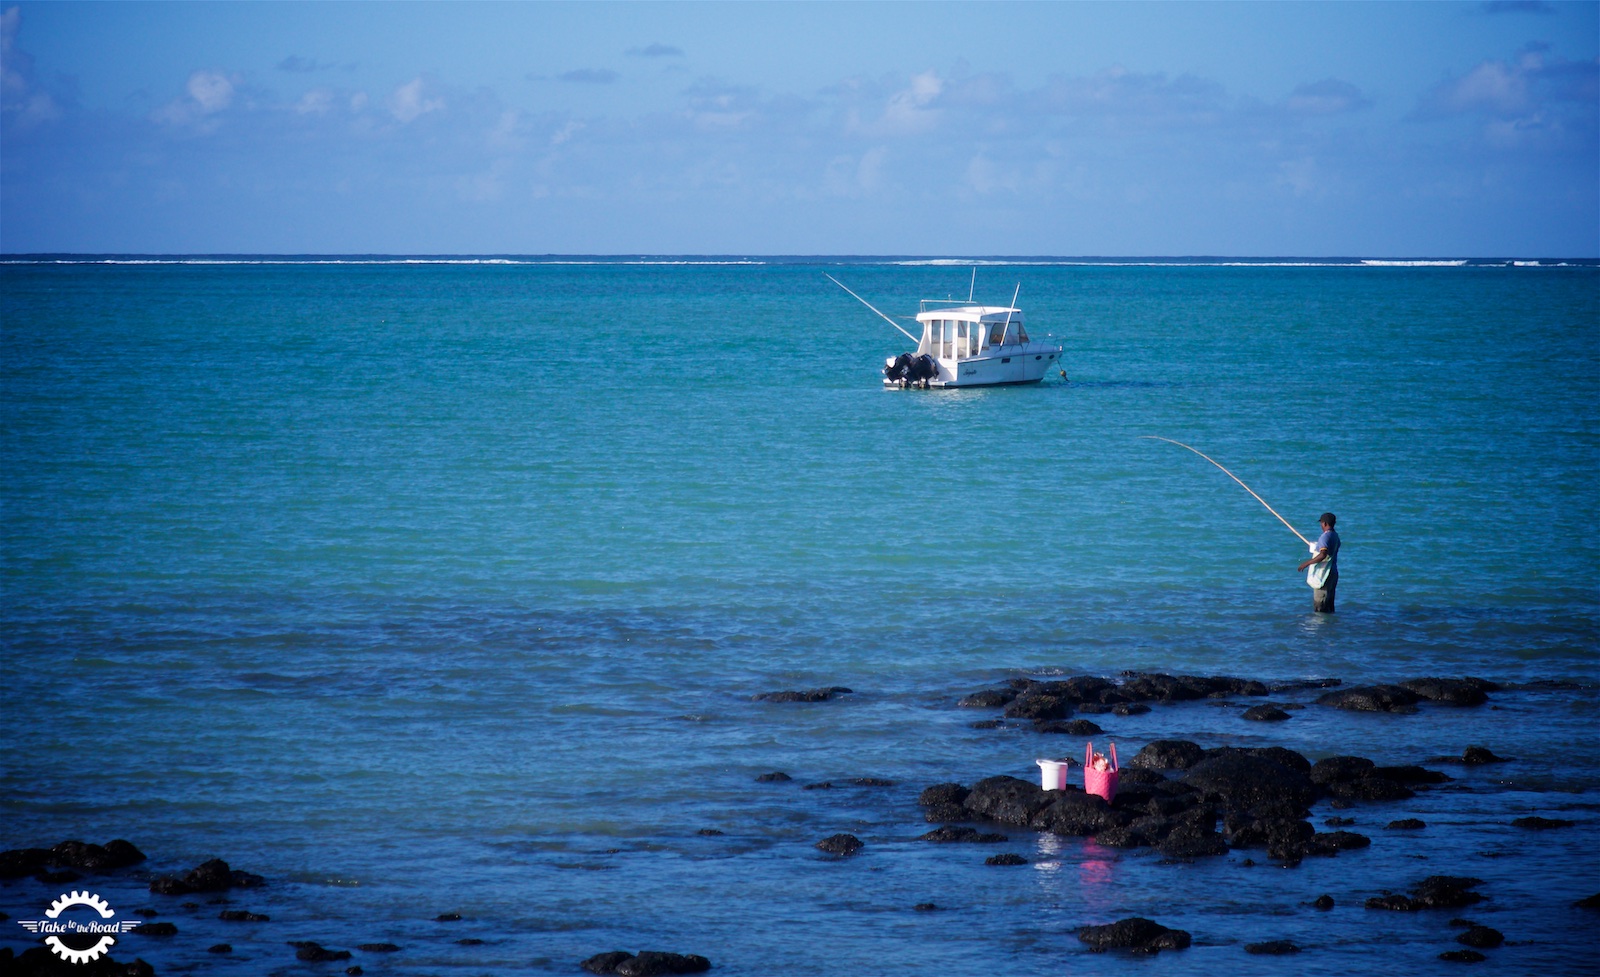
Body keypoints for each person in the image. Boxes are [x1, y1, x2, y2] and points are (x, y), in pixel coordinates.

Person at [1296, 512, 1340, 612]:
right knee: (1329, 605)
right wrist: (1316, 547)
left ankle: (1321, 627)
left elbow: (1323, 554)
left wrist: (1306, 564)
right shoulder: (1335, 536)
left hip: (1324, 575)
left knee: (1320, 606)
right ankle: (1330, 627)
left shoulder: (1324, 537)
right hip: (1333, 573)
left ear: (1324, 523)